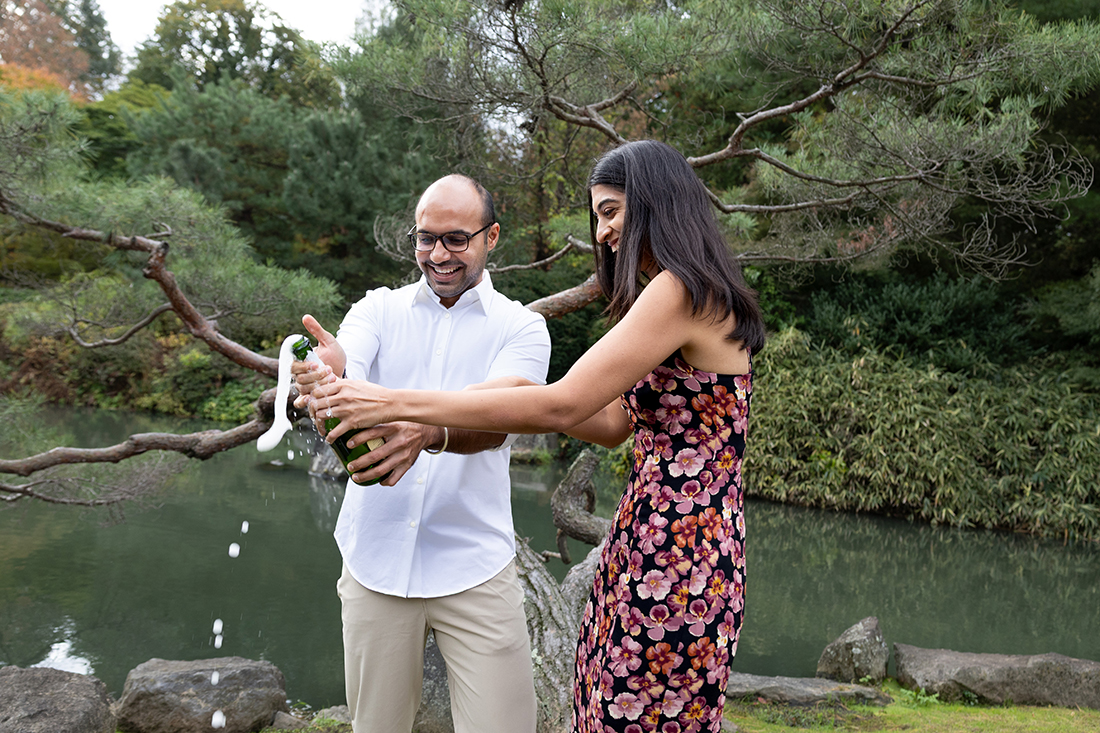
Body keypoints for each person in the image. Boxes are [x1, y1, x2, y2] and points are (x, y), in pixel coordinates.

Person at [306, 140, 767, 732]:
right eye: (597, 215)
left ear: (656, 201)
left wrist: (393, 400)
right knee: (611, 710)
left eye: (611, 212)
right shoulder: (680, 290)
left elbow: (565, 404)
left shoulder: (679, 290)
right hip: (646, 535)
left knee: (642, 716)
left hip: (680, 549)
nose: (602, 232)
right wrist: (517, 390)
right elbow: (610, 423)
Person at [291, 174, 551, 733]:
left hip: (475, 563)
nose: (437, 255)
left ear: (491, 237)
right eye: (426, 238)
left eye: (456, 239)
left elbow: (503, 418)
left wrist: (428, 430)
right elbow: (346, 367)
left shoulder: (522, 328)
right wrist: (325, 377)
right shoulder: (378, 309)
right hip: (374, 559)